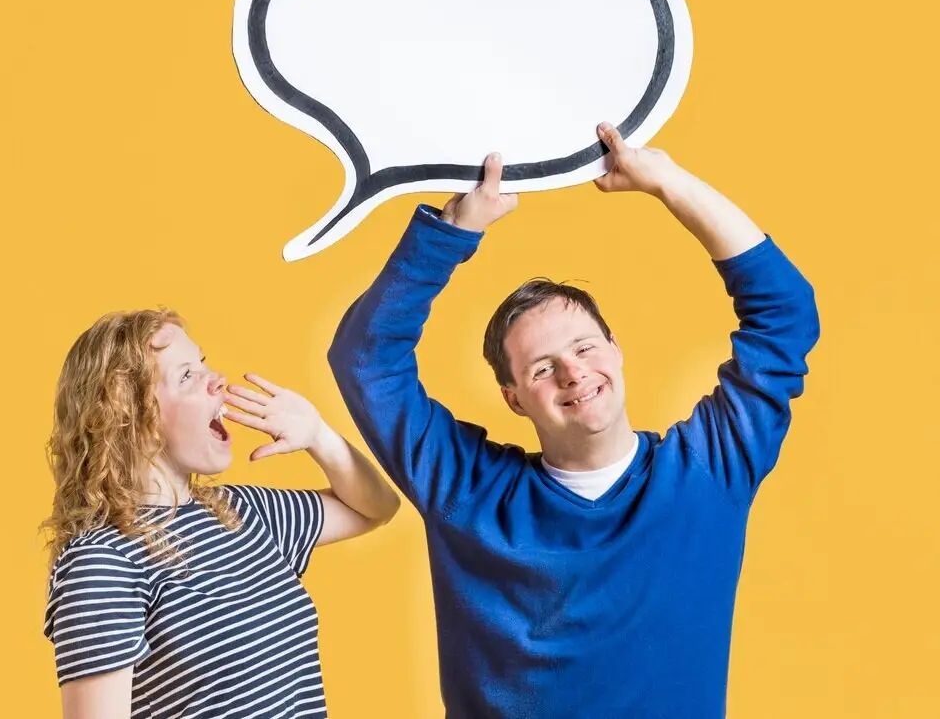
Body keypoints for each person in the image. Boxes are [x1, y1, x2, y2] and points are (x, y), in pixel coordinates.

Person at [328, 123, 820, 719]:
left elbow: (786, 313)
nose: (572, 373)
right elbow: (367, 360)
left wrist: (668, 182)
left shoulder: (709, 472)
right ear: (513, 398)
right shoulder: (466, 488)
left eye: (585, 348)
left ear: (615, 349)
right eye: (542, 368)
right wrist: (453, 232)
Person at [43, 307, 400, 719]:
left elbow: (376, 507)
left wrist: (318, 435)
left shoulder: (245, 512)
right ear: (129, 418)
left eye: (203, 363)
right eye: (187, 376)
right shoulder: (103, 563)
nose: (217, 380)